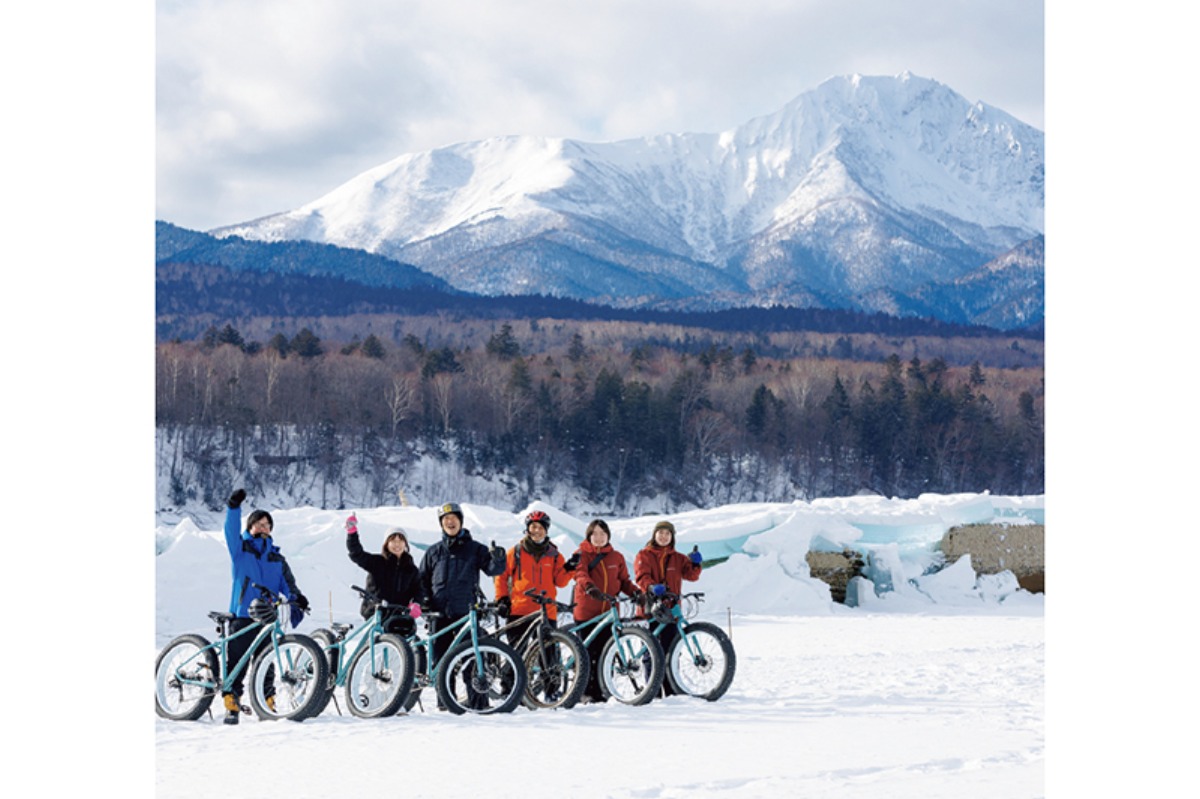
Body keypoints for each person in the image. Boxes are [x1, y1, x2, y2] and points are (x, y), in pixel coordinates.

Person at [221, 488, 309, 725]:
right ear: (250, 528)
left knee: (267, 661)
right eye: (258, 524)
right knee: (236, 662)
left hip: (267, 617)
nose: (263, 527)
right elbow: (230, 531)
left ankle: (266, 701)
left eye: (267, 524)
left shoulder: (277, 560)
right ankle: (231, 702)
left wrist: (297, 599)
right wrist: (233, 507)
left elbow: (289, 586)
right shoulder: (240, 551)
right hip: (242, 614)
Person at [417, 502, 506, 708]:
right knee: (441, 662)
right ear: (441, 524)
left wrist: (498, 559)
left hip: (466, 615)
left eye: (454, 518)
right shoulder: (434, 552)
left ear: (461, 522)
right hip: (439, 616)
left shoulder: (474, 549)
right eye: (446, 519)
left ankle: (478, 704)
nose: (450, 522)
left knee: (472, 660)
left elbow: (492, 569)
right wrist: (425, 601)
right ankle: (445, 704)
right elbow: (421, 580)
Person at [568, 517, 642, 702]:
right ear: (589, 536)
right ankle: (584, 692)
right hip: (586, 611)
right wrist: (590, 587)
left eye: (603, 534)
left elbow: (624, 581)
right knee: (587, 654)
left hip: (609, 612)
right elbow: (580, 574)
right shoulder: (581, 554)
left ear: (608, 536)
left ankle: (601, 691)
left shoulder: (616, 557)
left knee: (605, 653)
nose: (599, 537)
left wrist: (636, 593)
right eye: (595, 534)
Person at [634, 519, 703, 697]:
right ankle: (653, 690)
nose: (663, 537)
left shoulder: (679, 558)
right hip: (650, 610)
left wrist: (695, 563)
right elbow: (641, 577)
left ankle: (671, 691)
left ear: (672, 537)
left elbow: (691, 575)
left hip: (671, 611)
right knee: (652, 653)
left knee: (671, 652)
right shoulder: (644, 555)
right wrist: (651, 587)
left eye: (667, 534)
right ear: (654, 535)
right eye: (660, 533)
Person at [494, 510, 572, 649]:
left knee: (548, 659)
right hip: (519, 611)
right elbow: (501, 575)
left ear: (546, 530)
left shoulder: (554, 555)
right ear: (527, 528)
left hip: (546, 611)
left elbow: (560, 582)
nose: (537, 530)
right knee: (517, 655)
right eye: (533, 526)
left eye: (541, 527)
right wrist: (502, 598)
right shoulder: (516, 551)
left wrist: (570, 568)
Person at [345, 513, 422, 636]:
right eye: (393, 541)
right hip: (375, 613)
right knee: (376, 648)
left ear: (405, 544)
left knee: (401, 650)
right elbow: (356, 554)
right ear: (386, 544)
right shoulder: (377, 562)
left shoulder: (411, 569)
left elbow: (419, 590)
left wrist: (417, 603)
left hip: (398, 616)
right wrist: (352, 533)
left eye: (400, 540)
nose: (397, 544)